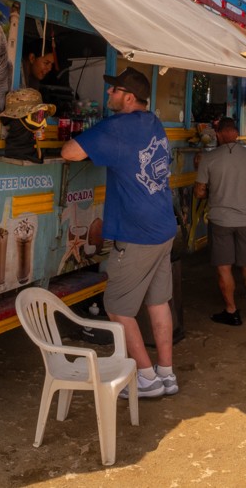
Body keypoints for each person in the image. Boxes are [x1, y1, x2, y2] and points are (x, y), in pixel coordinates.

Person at [61, 68, 179, 398]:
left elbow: (69, 152)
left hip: (137, 233)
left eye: (114, 92)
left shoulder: (116, 128)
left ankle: (146, 378)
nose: (108, 95)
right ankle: (166, 375)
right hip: (164, 227)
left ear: (128, 97)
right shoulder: (153, 122)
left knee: (118, 307)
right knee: (158, 303)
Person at [194, 117, 246, 326]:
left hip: (220, 220)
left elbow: (199, 191)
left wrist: (215, 192)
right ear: (235, 132)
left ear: (221, 133)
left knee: (224, 267)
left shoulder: (209, 158)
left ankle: (232, 311)